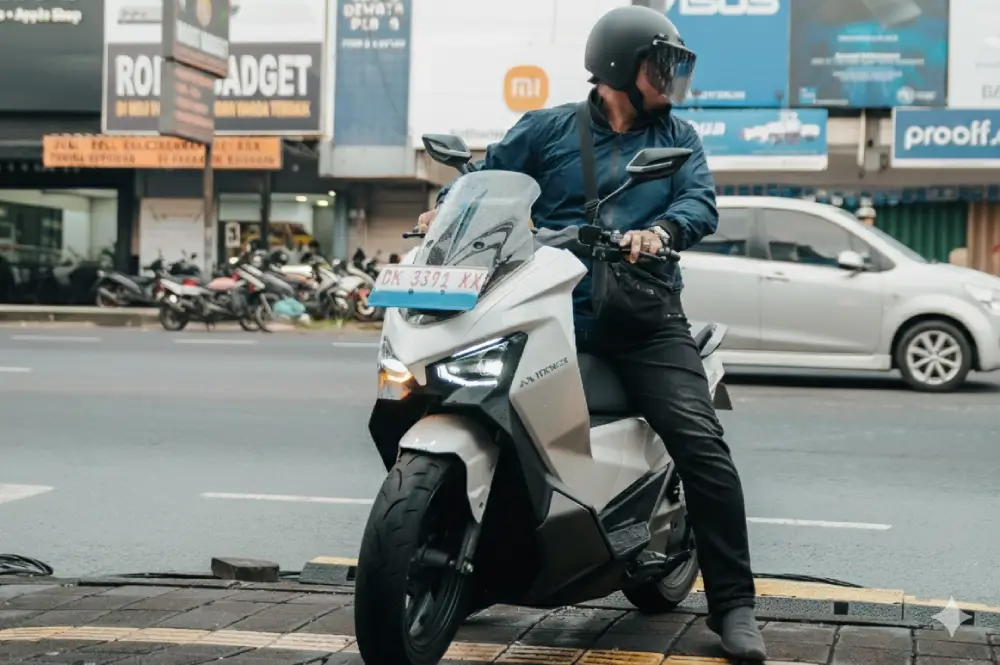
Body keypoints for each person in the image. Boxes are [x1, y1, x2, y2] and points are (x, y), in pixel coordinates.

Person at [417, 6, 766, 661]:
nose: (670, 77)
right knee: (491, 417)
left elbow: (698, 204)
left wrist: (658, 233)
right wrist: (448, 206)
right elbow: (486, 178)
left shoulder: (679, 137)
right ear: (618, 68)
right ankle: (473, 566)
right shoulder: (546, 130)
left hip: (646, 324)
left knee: (703, 447)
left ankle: (734, 604)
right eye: (660, 63)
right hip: (550, 313)